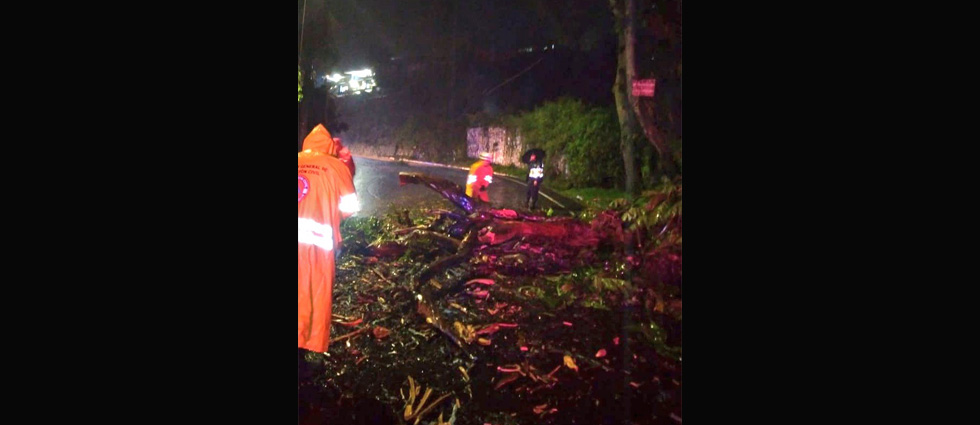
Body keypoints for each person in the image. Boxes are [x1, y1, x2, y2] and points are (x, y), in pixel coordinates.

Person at [298, 124, 360, 354]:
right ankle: (306, 344)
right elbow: (350, 208)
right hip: (319, 245)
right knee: (314, 293)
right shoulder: (336, 167)